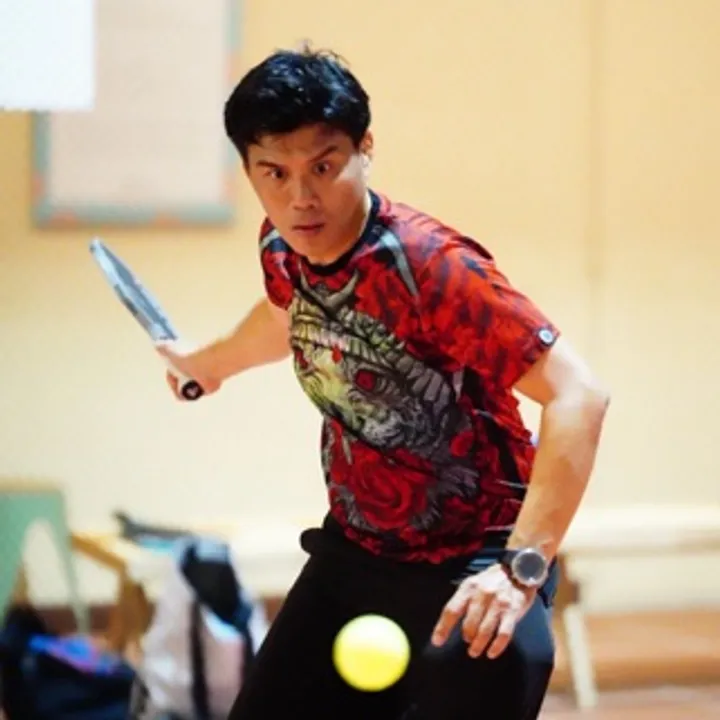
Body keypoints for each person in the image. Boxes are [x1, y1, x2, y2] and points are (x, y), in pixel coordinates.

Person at [158, 46, 610, 720]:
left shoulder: (433, 268)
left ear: (364, 148)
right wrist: (210, 363)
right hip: (357, 550)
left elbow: (579, 395)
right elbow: (288, 313)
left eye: (323, 166)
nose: (300, 197)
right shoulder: (284, 246)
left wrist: (521, 570)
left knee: (493, 674)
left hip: (476, 557)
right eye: (274, 173)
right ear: (249, 170)